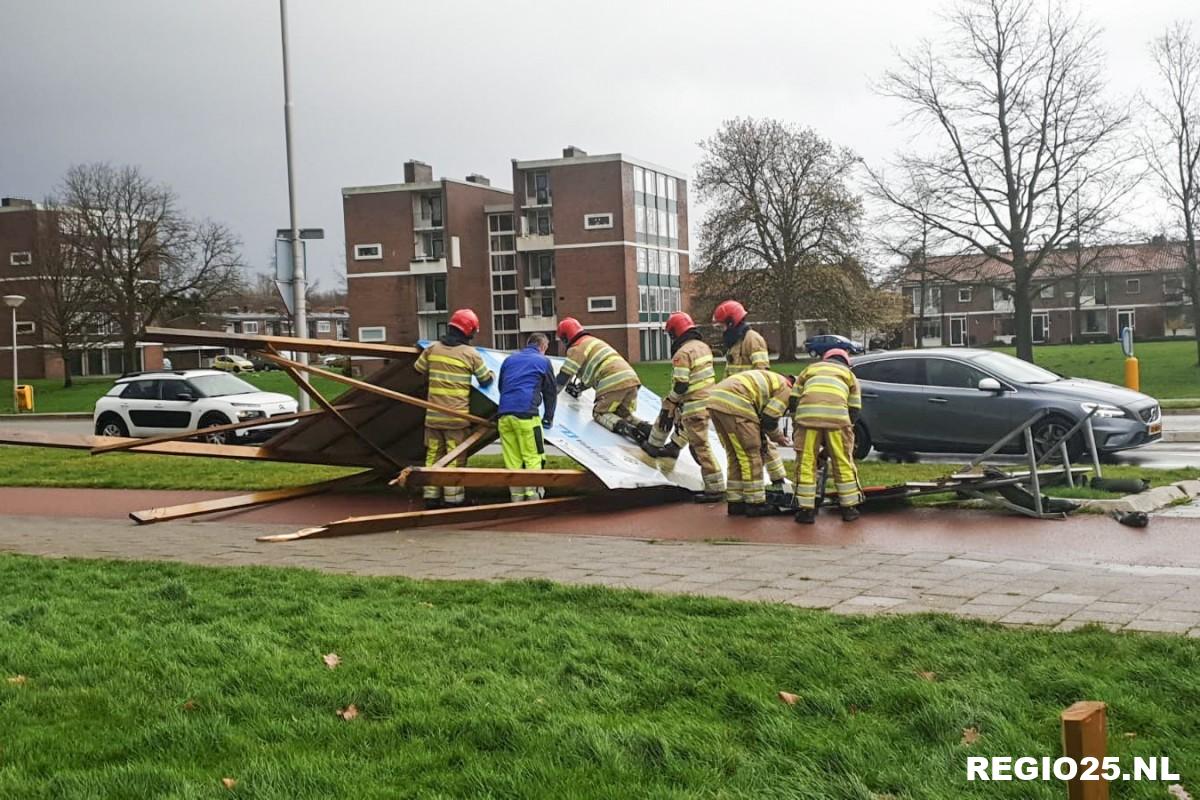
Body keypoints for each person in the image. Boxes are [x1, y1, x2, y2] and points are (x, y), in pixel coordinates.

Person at [412, 308, 494, 509]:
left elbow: (418, 369)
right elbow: (485, 380)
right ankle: (453, 500)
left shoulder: (432, 349)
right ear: (469, 331)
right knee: (455, 458)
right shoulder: (470, 354)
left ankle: (430, 498)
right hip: (456, 418)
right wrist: (491, 373)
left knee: (433, 455)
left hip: (432, 416)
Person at [644, 312, 724, 502]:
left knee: (700, 447)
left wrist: (671, 400)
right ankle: (674, 446)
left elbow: (681, 384)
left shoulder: (682, 354)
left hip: (694, 405)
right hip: (708, 402)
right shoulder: (703, 347)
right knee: (689, 433)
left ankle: (715, 489)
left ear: (675, 333)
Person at [712, 299, 788, 493]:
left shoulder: (752, 339)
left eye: (722, 325)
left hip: (751, 399)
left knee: (760, 443)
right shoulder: (735, 342)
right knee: (753, 444)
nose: (721, 329)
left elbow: (762, 371)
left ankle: (778, 479)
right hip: (738, 399)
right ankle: (776, 479)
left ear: (731, 322)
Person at [789, 348, 863, 524]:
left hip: (808, 418)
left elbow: (793, 398)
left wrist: (796, 422)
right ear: (845, 362)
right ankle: (849, 509)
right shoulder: (849, 375)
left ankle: (806, 511)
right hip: (837, 419)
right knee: (842, 460)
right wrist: (848, 427)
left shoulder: (810, 369)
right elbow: (855, 408)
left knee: (806, 461)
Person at [706, 369, 794, 517]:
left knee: (735, 455)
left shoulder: (776, 380)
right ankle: (755, 503)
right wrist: (778, 437)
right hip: (737, 404)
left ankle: (736, 502)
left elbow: (762, 417)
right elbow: (769, 419)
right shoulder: (787, 390)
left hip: (715, 401)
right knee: (751, 455)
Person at [555, 317, 652, 445]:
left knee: (600, 413)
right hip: (631, 380)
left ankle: (628, 430)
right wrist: (579, 388)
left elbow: (564, 375)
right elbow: (594, 371)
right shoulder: (594, 342)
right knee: (622, 413)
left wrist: (549, 393)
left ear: (565, 338)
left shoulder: (576, 348)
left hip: (613, 382)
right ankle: (646, 428)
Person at [496, 332, 557, 503]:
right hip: (527, 416)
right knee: (533, 457)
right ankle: (533, 499)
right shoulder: (543, 361)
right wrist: (548, 418)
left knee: (512, 460)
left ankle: (516, 499)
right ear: (543, 347)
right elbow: (550, 392)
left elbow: (502, 386)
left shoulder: (509, 360)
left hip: (504, 416)